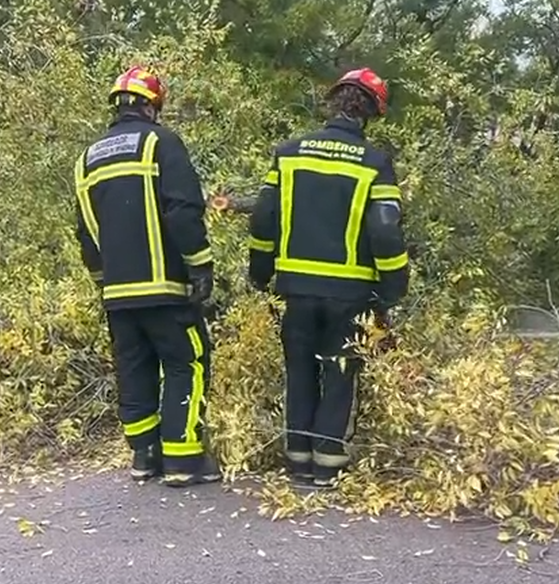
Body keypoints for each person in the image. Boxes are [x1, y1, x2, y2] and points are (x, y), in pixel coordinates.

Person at [246, 68, 410, 488]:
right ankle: (328, 463)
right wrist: (393, 287)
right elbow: (385, 231)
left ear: (334, 101)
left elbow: (263, 218)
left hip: (295, 289)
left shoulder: (289, 153)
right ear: (371, 112)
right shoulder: (374, 163)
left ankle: (297, 459)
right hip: (349, 293)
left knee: (299, 369)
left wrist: (260, 273)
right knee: (340, 373)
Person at [73, 66, 219, 487]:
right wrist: (201, 265)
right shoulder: (161, 144)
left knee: (133, 368)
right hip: (165, 288)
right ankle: (183, 459)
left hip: (117, 292)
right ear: (152, 106)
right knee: (186, 363)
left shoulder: (87, 159)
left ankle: (144, 455)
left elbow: (85, 231)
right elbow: (183, 211)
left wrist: (103, 280)